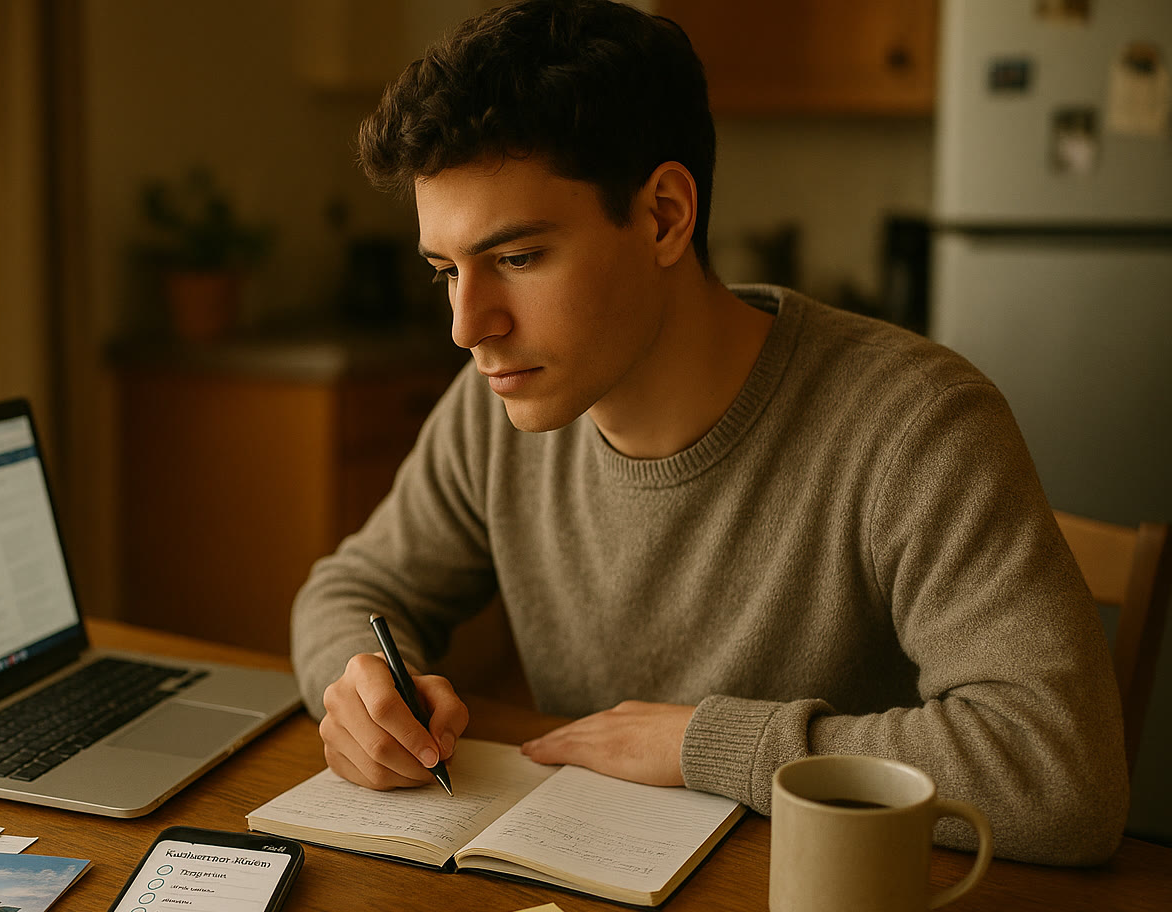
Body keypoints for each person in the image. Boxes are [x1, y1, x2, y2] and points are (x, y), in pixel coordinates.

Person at [289, 0, 1128, 866]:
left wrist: (710, 746)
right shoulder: (491, 406)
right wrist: (360, 684)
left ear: (663, 216)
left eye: (517, 258)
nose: (468, 327)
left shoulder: (915, 422)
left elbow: (1063, 776)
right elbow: (352, 587)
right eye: (446, 272)